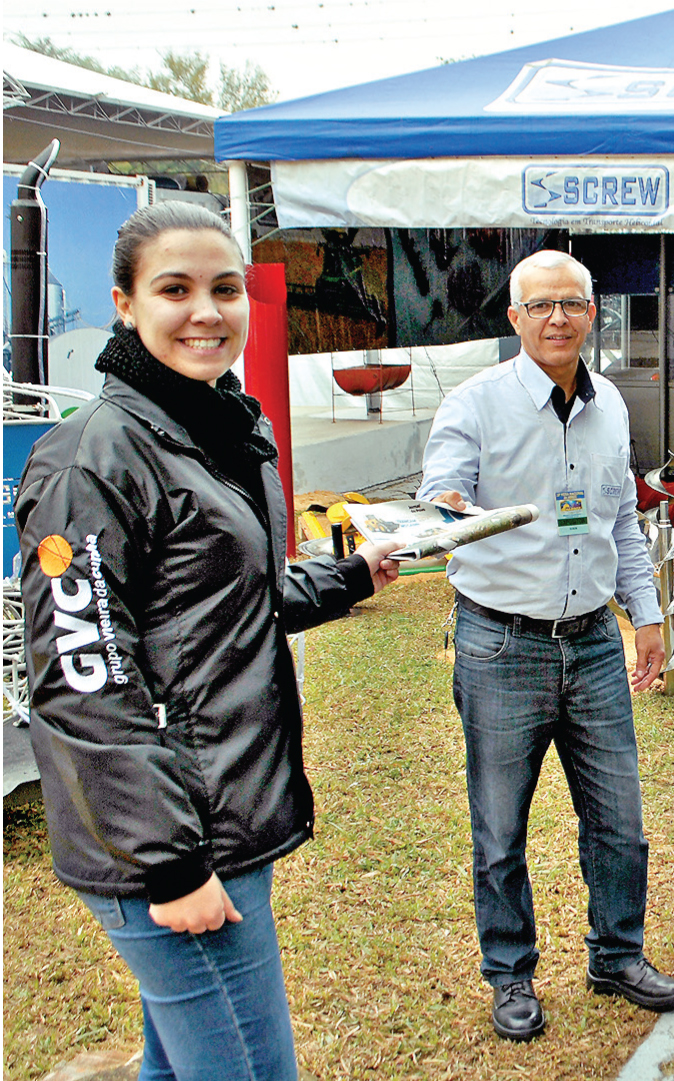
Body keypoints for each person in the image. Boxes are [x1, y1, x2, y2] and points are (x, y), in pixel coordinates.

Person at [16, 202, 400, 1081]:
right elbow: (83, 681)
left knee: (181, 1064)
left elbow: (221, 604)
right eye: (174, 289)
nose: (206, 311)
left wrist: (348, 576)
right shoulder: (92, 460)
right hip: (175, 845)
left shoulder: (218, 429)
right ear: (123, 303)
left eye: (225, 288)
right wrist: (170, 865)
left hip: (220, 816)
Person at [418, 249, 674, 1043]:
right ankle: (511, 974)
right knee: (500, 825)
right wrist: (452, 506)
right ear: (514, 316)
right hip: (502, 644)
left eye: (571, 303)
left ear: (594, 313)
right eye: (540, 305)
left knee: (619, 818)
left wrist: (649, 613)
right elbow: (439, 494)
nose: (557, 318)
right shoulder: (474, 404)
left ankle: (618, 954)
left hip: (595, 642)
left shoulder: (612, 410)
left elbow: (619, 520)